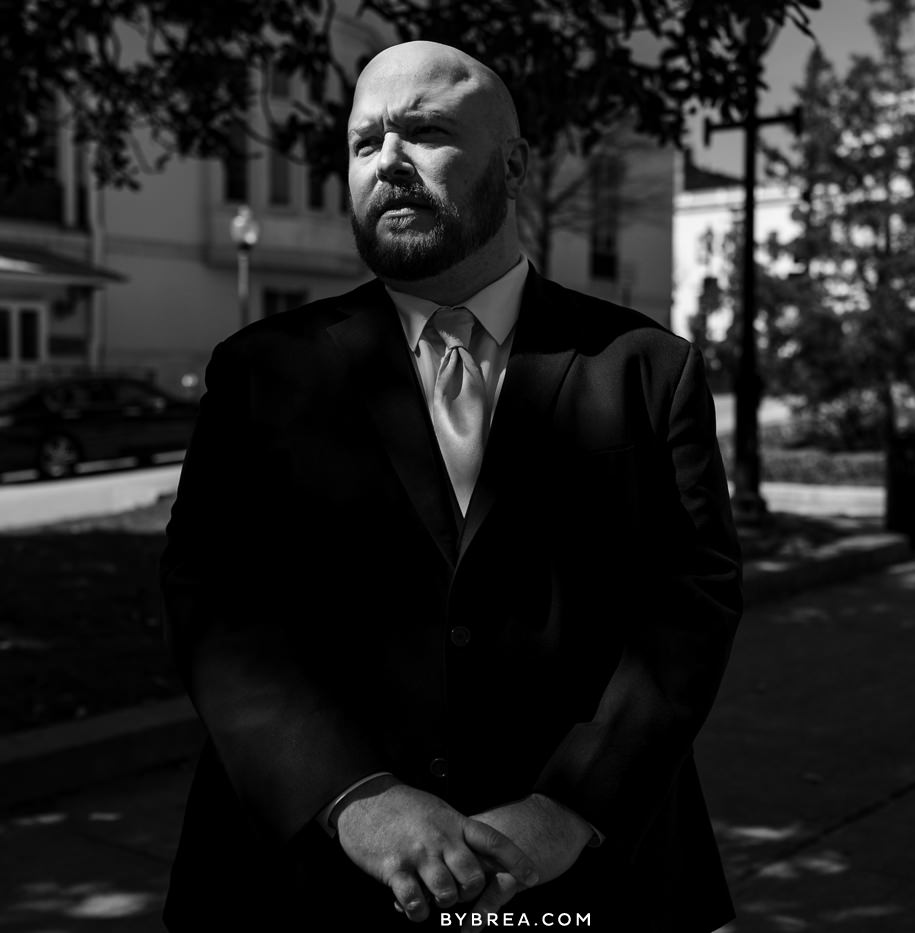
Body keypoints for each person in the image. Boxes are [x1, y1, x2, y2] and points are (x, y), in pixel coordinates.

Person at [159, 40, 742, 932]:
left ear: (513, 165)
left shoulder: (646, 368)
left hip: (579, 879)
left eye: (424, 131)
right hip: (309, 880)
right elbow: (214, 600)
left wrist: (571, 804)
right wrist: (352, 795)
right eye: (364, 143)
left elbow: (689, 603)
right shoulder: (260, 372)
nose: (387, 161)